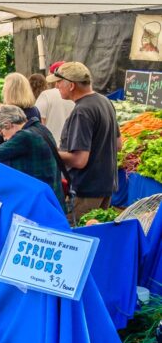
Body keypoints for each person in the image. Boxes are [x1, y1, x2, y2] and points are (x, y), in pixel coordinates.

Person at [50, 62, 121, 224]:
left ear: (72, 86)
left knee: (76, 236)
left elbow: (80, 160)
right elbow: (118, 145)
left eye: (59, 82)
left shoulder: (82, 111)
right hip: (105, 186)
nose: (56, 85)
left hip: (87, 189)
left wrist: (52, 152)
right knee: (96, 234)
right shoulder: (105, 101)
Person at [0, 105, 65, 207]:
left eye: (2, 134)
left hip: (42, 202)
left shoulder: (24, 136)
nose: (4, 139)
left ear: (8, 125)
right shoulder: (40, 128)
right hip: (53, 197)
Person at [34, 62, 76, 146]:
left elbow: (38, 126)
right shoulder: (78, 98)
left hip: (51, 149)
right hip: (72, 148)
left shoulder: (46, 95)